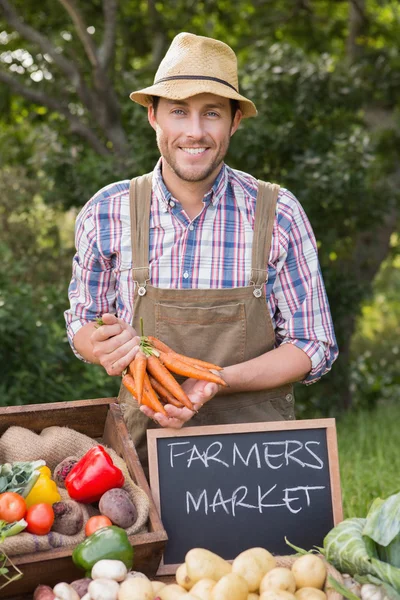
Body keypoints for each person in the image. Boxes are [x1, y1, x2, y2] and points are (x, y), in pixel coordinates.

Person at [65, 32, 338, 468]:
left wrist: (214, 380)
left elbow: (313, 344)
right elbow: (83, 319)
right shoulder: (107, 211)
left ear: (234, 121)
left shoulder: (277, 212)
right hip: (146, 451)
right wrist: (104, 347)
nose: (195, 132)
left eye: (211, 113)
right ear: (153, 116)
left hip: (258, 462)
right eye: (179, 112)